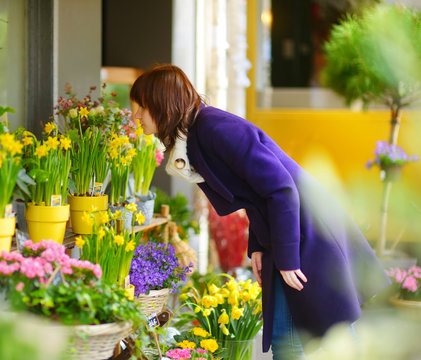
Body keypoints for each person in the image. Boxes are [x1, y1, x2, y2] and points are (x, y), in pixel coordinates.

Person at [129, 64, 390, 359]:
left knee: (323, 333)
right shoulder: (200, 131)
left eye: (141, 107)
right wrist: (257, 247)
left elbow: (280, 188)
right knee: (298, 336)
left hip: (304, 227)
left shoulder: (213, 128)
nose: (136, 116)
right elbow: (255, 194)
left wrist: (288, 258)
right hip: (289, 227)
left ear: (163, 104)